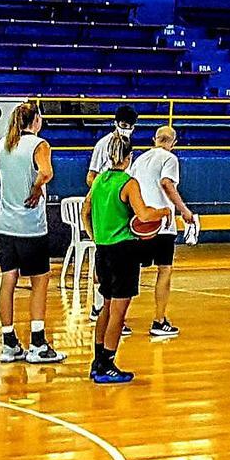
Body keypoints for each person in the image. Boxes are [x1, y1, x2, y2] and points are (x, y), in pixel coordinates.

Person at [0, 101, 66, 364]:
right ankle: (37, 343)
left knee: (8, 279)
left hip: (5, 225)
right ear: (35, 121)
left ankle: (9, 342)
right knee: (39, 282)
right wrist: (34, 189)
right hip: (30, 225)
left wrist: (3, 177)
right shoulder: (39, 144)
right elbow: (46, 173)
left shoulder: (3, 144)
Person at [82, 135, 171, 384]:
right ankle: (107, 365)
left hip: (103, 250)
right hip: (123, 252)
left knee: (106, 307)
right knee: (118, 314)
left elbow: (85, 211)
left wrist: (94, 235)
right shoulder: (128, 183)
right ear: (128, 157)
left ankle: (97, 361)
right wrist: (163, 211)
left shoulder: (99, 180)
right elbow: (143, 214)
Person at [129, 126, 197, 337]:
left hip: (140, 219)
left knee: (131, 270)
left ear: (154, 139)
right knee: (164, 269)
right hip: (162, 223)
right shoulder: (170, 159)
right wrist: (184, 211)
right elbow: (166, 183)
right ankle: (159, 320)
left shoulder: (139, 160)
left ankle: (119, 319)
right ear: (173, 142)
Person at [86, 104, 139, 323]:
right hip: (105, 205)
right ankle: (100, 308)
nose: (127, 129)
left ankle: (109, 313)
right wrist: (106, 190)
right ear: (116, 123)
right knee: (107, 262)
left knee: (112, 264)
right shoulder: (102, 145)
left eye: (130, 126)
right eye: (124, 125)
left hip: (120, 206)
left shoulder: (129, 151)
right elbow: (91, 176)